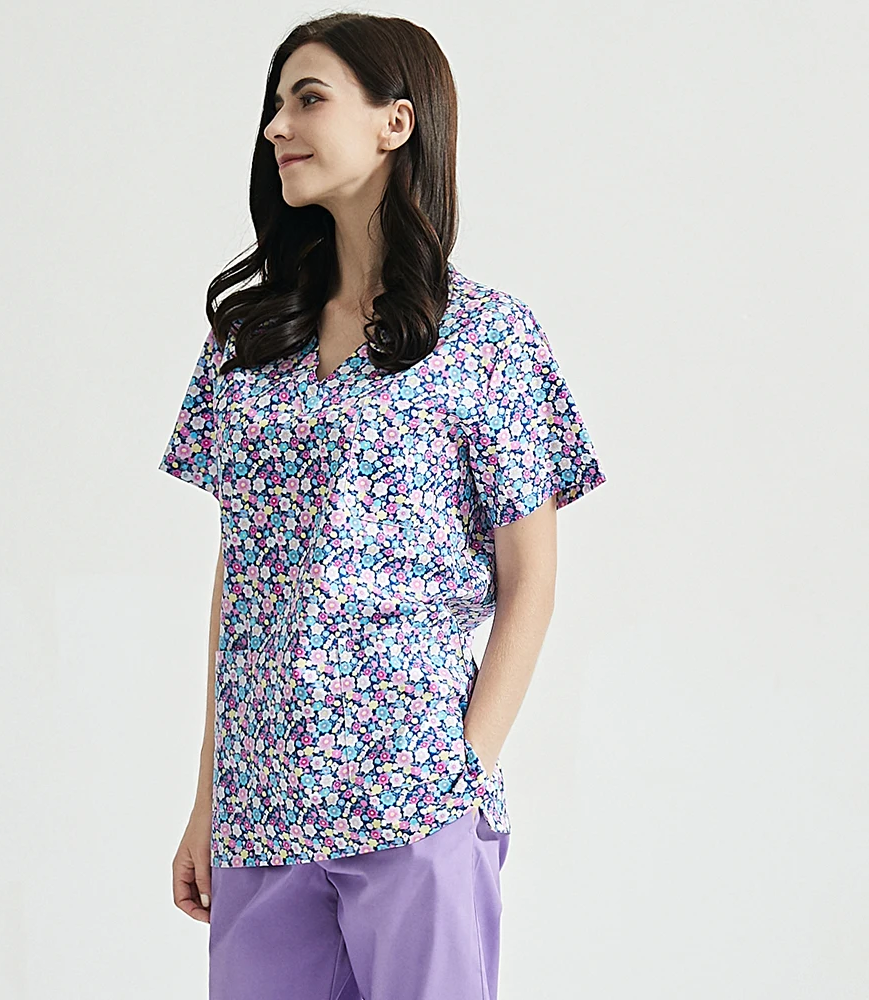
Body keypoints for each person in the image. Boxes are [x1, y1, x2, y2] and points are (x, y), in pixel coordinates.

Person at [159, 12, 607, 1000]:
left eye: (309, 98)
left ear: (396, 122)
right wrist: (208, 795)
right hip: (262, 804)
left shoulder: (488, 338)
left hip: (412, 797)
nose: (278, 125)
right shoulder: (247, 341)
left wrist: (461, 775)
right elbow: (243, 576)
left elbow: (531, 580)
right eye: (275, 103)